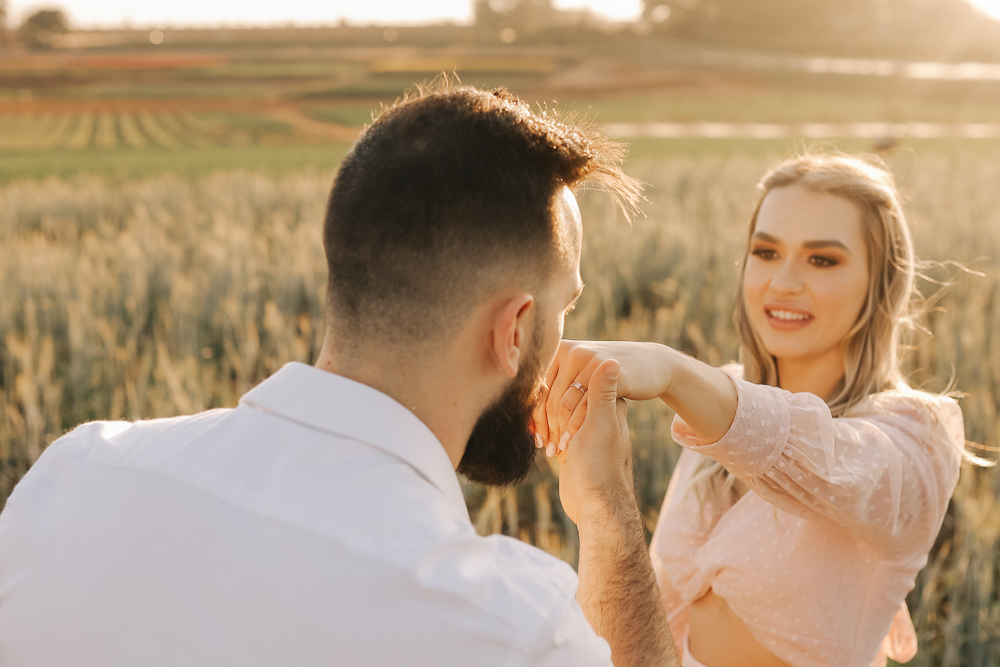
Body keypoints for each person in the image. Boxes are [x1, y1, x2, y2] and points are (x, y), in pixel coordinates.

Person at [0, 85, 678, 667]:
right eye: (567, 306)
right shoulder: (509, 627)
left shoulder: (77, 473)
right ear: (514, 330)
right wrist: (610, 516)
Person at [535, 154, 973, 666]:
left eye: (822, 259)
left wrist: (673, 371)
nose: (783, 282)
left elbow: (826, 459)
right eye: (766, 252)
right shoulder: (721, 405)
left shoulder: (919, 434)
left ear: (882, 281)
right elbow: (663, 613)